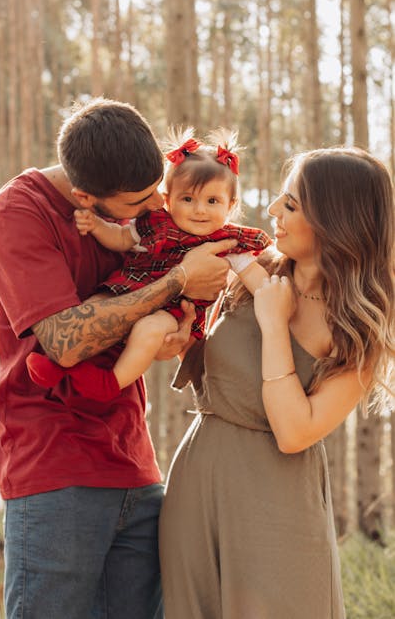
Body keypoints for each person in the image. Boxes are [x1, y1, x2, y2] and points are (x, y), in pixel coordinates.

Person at [0, 98, 233, 619]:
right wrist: (176, 280)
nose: (154, 210)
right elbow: (64, 342)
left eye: (155, 193)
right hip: (54, 467)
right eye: (137, 204)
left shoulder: (142, 213)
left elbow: (136, 315)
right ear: (84, 198)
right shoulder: (18, 214)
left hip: (134, 466)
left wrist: (173, 330)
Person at [159, 146, 395, 619]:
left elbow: (294, 432)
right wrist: (183, 339)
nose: (272, 212)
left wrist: (274, 325)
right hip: (198, 482)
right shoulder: (253, 268)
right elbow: (219, 375)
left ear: (335, 220)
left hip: (279, 507)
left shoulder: (360, 329)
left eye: (290, 205)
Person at [26, 129, 272, 401]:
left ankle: (111, 382)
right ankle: (58, 364)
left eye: (212, 201)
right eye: (187, 199)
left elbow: (253, 275)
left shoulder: (227, 242)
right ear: (168, 200)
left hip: (172, 311)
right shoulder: (153, 224)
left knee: (149, 332)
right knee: (94, 307)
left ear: (231, 205)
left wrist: (276, 296)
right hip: (127, 288)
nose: (199, 210)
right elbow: (120, 238)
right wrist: (97, 226)